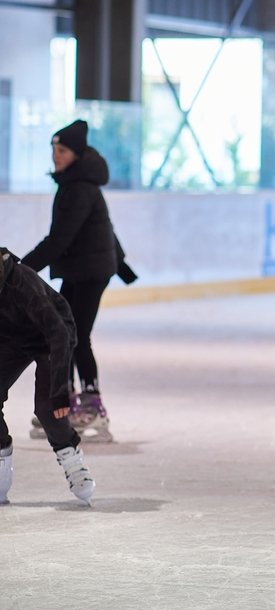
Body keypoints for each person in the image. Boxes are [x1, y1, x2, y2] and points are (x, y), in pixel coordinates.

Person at [21, 119, 137, 443]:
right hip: (82, 268)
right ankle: (67, 402)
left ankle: (93, 406)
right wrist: (122, 263)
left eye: (62, 150)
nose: (56, 156)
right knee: (64, 330)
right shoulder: (75, 183)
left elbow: (58, 240)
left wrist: (18, 270)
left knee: (76, 335)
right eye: (54, 150)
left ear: (76, 153)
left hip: (90, 271)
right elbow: (105, 229)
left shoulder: (79, 188)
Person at [0, 248, 95, 505]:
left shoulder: (21, 283)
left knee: (48, 409)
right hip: (11, 338)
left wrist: (60, 394)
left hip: (52, 337)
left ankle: (72, 459)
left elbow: (58, 335)